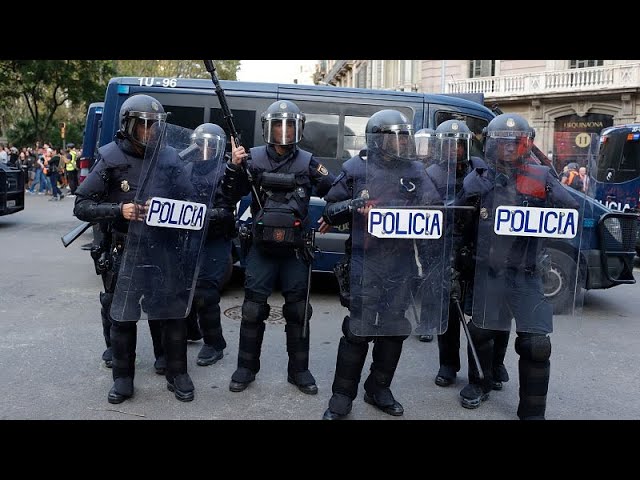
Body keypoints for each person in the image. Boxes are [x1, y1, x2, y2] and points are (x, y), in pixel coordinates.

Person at [320, 109, 442, 420]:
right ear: (377, 139)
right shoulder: (355, 168)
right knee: (358, 331)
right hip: (365, 261)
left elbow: (435, 211)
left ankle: (378, 387)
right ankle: (342, 396)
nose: (400, 141)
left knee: (394, 329)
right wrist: (353, 206)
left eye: (404, 135)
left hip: (401, 263)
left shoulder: (416, 171)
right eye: (393, 135)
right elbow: (330, 209)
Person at [457, 113, 580, 419]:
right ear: (491, 145)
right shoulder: (478, 179)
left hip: (526, 272)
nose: (509, 149)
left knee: (537, 345)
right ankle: (480, 383)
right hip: (489, 272)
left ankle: (532, 411)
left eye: (516, 142)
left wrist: (546, 181)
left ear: (526, 144)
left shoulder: (540, 177)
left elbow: (571, 211)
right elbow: (457, 223)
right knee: (481, 332)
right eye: (502, 143)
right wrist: (452, 265)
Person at [74, 94, 192, 403]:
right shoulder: (111, 158)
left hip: (163, 248)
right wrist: (119, 210)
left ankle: (177, 372)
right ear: (129, 126)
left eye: (155, 125)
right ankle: (123, 378)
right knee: (123, 316)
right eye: (144, 125)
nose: (150, 131)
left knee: (172, 314)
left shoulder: (169, 158)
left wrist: (171, 207)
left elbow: (193, 198)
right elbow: (82, 205)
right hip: (125, 248)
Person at [225, 100, 335, 394]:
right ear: (268, 128)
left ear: (298, 128)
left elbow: (336, 190)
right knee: (251, 309)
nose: (283, 131)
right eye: (278, 125)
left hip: (295, 250)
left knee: (299, 311)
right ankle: (246, 368)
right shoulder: (251, 159)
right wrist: (234, 168)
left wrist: (331, 215)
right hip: (261, 248)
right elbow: (229, 195)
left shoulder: (309, 162)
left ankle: (299, 371)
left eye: (289, 125)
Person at [417, 121, 511, 391]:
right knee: (447, 310)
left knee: (493, 310)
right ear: (440, 146)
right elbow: (427, 217)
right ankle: (448, 365)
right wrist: (431, 257)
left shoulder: (481, 169)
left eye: (460, 143)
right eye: (450, 143)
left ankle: (494, 365)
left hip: (483, 249)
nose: (456, 149)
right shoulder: (431, 174)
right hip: (447, 248)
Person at [182, 123, 237, 366]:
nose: (204, 151)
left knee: (205, 292)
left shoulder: (227, 171)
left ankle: (215, 343)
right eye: (200, 146)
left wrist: (205, 214)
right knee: (183, 287)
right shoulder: (185, 167)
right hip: (188, 237)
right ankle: (191, 329)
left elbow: (229, 206)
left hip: (215, 237)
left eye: (209, 146)